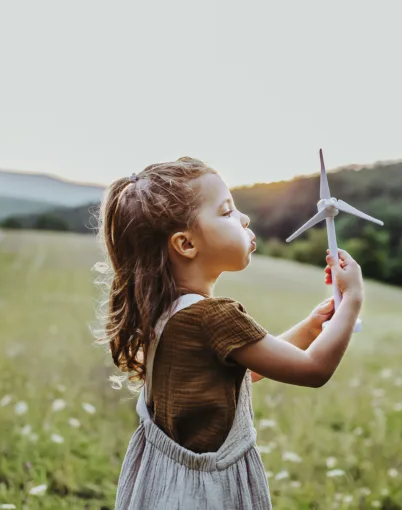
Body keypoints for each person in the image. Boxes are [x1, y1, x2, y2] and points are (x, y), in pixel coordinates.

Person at [94, 157, 364, 510]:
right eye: (226, 212)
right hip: (206, 493)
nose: (244, 218)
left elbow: (241, 373)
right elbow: (312, 370)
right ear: (186, 244)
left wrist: (311, 328)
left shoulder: (166, 311)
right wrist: (353, 300)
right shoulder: (214, 316)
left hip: (164, 486)